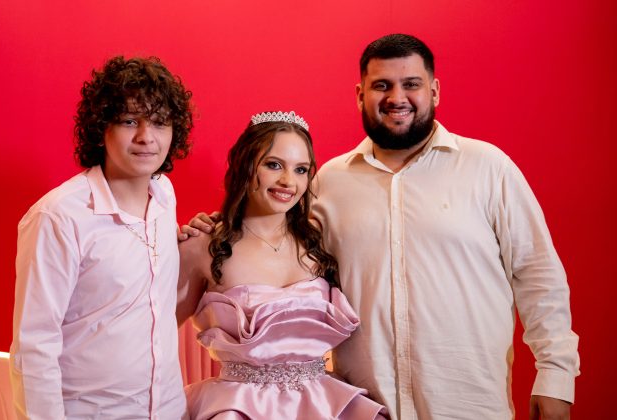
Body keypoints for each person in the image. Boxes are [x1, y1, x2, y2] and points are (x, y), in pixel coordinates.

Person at [183, 35, 579, 420]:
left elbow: (537, 273)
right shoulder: (329, 181)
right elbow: (273, 227)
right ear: (361, 94)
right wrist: (219, 227)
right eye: (382, 86)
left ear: (435, 91)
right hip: (368, 404)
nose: (397, 97)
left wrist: (555, 375)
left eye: (411, 84)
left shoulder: (488, 168)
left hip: (467, 400)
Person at [10, 56, 193, 419]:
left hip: (170, 410)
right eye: (129, 121)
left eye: (159, 122)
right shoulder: (59, 217)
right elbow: (34, 347)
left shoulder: (164, 195)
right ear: (101, 127)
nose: (146, 137)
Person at [177, 111, 388, 419]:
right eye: (274, 165)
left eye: (300, 169)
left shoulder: (321, 240)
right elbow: (154, 335)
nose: (288, 181)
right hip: (238, 407)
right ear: (246, 164)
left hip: (322, 405)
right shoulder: (202, 246)